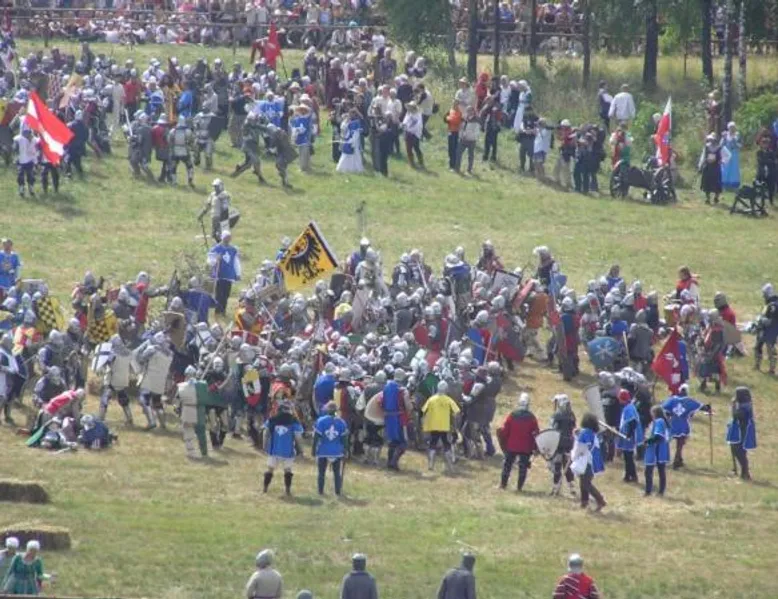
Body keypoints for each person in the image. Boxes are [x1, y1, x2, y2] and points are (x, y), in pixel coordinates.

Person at [497, 393, 539, 491]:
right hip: (525, 447)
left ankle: (503, 485)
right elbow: (536, 433)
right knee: (523, 467)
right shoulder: (532, 417)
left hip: (512, 446)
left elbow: (505, 431)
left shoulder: (512, 415)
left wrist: (502, 436)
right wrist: (535, 447)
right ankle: (519, 488)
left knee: (507, 465)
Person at [661, 384, 709, 469]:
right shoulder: (688, 401)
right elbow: (701, 407)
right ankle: (676, 460)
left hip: (672, 423)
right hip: (683, 424)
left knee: (670, 441)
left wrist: (669, 415)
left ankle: (678, 459)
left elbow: (664, 408)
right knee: (680, 443)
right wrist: (708, 407)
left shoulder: (672, 399)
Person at [262, 400, 304, 495]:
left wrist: (264, 446)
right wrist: (300, 450)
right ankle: (287, 490)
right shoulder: (294, 422)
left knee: (270, 469)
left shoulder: (272, 420)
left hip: (274, 450)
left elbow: (265, 433)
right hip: (288, 451)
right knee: (288, 470)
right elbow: (298, 437)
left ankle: (265, 488)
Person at [421, 380, 460, 473]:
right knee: (446, 444)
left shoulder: (431, 399)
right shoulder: (448, 399)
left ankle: (431, 465)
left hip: (433, 425)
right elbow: (457, 412)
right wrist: (454, 423)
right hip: (444, 426)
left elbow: (423, 410)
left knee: (432, 444)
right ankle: (450, 466)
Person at [572, 412, 606, 511]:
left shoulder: (585, 433)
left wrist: (574, 455)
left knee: (586, 483)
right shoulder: (592, 433)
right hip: (590, 460)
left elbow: (582, 447)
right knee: (583, 482)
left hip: (587, 461)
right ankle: (584, 502)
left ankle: (600, 500)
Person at [313, 401, 348, 495]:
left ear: (327, 410)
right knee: (337, 473)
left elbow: (316, 437)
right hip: (337, 451)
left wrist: (313, 449)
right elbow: (344, 439)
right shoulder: (341, 422)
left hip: (323, 450)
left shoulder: (321, 421)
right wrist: (346, 450)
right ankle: (337, 492)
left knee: (321, 473)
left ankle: (320, 491)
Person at [726, 386, 757, 480]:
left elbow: (736, 415)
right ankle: (743, 473)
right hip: (739, 431)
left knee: (739, 451)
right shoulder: (743, 405)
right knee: (738, 450)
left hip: (743, 432)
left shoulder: (745, 406)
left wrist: (733, 406)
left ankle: (745, 473)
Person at [550, 394, 577, 497]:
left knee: (557, 466)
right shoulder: (571, 414)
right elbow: (573, 427)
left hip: (559, 444)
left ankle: (555, 488)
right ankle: (572, 487)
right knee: (567, 466)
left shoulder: (557, 415)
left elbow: (553, 430)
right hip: (569, 443)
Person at [616, 388, 643, 483]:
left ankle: (630, 476)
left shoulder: (629, 409)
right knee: (627, 457)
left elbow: (633, 422)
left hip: (629, 437)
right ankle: (630, 476)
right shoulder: (629, 406)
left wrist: (628, 435)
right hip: (627, 435)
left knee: (628, 457)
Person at [644, 405, 670, 496]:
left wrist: (648, 441)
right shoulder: (660, 421)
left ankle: (651, 491)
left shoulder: (659, 421)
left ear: (655, 413)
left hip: (657, 449)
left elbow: (658, 436)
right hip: (658, 449)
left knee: (651, 471)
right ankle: (658, 491)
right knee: (659, 470)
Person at [755, 282, 778, 374]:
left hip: (770, 330)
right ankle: (757, 365)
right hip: (763, 329)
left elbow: (772, 321)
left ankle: (772, 369)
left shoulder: (773, 305)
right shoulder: (769, 304)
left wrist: (762, 320)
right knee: (758, 346)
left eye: (764, 294)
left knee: (770, 349)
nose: (763, 296)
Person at [167, 114, 195, 187]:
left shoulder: (172, 131)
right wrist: (191, 148)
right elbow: (192, 141)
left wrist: (171, 148)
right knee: (190, 166)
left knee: (173, 167)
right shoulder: (188, 131)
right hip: (185, 151)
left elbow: (169, 141)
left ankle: (174, 181)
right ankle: (190, 179)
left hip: (175, 152)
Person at [13, 125, 38, 197]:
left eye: (28, 132)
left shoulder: (34, 139)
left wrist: (35, 161)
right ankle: (21, 188)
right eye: (25, 132)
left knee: (30, 174)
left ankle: (31, 188)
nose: (27, 134)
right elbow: (14, 149)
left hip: (30, 160)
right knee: (20, 174)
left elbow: (36, 149)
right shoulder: (18, 139)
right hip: (21, 160)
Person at [337, 108, 364, 174]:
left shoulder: (356, 122)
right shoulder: (348, 121)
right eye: (350, 114)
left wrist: (352, 141)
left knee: (355, 154)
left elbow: (356, 133)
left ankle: (355, 168)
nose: (351, 115)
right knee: (346, 154)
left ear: (355, 114)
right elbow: (345, 129)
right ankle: (345, 168)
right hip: (348, 139)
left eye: (352, 114)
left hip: (354, 141)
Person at [699, 133, 723, 204]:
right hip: (708, 167)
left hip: (716, 167)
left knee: (717, 183)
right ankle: (707, 198)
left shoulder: (719, 147)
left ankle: (716, 197)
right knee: (707, 182)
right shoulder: (706, 147)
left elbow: (726, 155)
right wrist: (700, 165)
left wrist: (721, 161)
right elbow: (703, 156)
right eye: (711, 139)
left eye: (713, 139)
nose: (712, 141)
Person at [290, 104, 313, 173]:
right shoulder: (297, 119)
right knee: (301, 153)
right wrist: (295, 131)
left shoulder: (308, 119)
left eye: (304, 109)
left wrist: (299, 130)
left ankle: (305, 167)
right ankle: (302, 167)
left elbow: (308, 129)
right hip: (299, 138)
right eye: (301, 109)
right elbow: (294, 126)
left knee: (305, 154)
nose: (302, 111)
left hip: (305, 138)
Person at [456, 106, 479, 175]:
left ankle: (469, 170)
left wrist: (470, 136)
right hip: (463, 139)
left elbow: (476, 131)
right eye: (468, 111)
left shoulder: (476, 120)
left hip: (471, 140)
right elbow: (460, 128)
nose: (469, 112)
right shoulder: (464, 119)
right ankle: (457, 168)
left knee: (470, 155)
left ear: (473, 112)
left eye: (471, 110)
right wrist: (461, 135)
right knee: (458, 153)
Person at [401, 101, 423, 168]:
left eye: (411, 107)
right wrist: (404, 126)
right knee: (408, 149)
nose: (410, 108)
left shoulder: (418, 115)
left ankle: (421, 161)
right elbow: (405, 121)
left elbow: (418, 125)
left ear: (414, 107)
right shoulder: (408, 113)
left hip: (415, 134)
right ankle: (412, 163)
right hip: (408, 133)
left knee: (416, 148)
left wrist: (411, 130)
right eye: (409, 107)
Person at [721, 121, 742, 190]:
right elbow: (721, 144)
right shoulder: (725, 135)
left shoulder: (737, 135)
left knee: (734, 169)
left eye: (733, 127)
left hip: (734, 153)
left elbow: (740, 145)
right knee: (725, 168)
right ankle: (725, 184)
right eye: (731, 127)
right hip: (726, 153)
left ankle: (734, 184)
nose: (732, 129)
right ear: (728, 128)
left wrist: (735, 142)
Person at [443, 99, 462, 172]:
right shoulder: (450, 111)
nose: (454, 105)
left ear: (458, 105)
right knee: (450, 149)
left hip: (456, 132)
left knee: (455, 149)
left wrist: (449, 119)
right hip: (450, 131)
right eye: (453, 104)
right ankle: (451, 165)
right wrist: (448, 118)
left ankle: (454, 166)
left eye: (456, 104)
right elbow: (445, 119)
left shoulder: (459, 112)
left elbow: (455, 121)